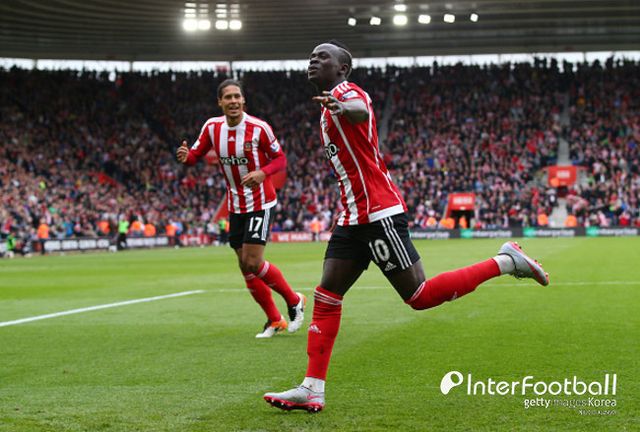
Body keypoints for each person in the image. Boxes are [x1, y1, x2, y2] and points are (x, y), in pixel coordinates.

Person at [263, 41, 550, 412]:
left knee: (419, 296)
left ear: (343, 68)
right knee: (327, 295)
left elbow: (359, 110)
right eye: (311, 56)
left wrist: (342, 106)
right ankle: (312, 388)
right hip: (352, 217)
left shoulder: (347, 93)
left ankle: (506, 262)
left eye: (322, 57)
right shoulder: (327, 106)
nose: (313, 61)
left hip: (378, 213)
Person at [177, 78, 306, 338]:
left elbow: (280, 159)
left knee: (253, 262)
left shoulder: (259, 128)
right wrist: (185, 157)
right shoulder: (212, 127)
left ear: (243, 100)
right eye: (228, 97)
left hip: (260, 202)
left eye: (237, 96)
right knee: (245, 266)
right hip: (235, 205)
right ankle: (274, 320)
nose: (234, 101)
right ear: (220, 102)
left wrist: (262, 172)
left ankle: (294, 300)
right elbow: (194, 156)